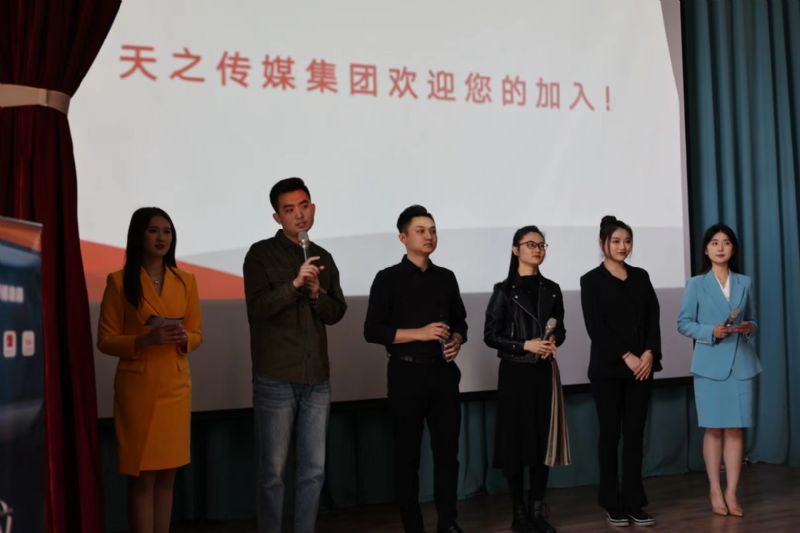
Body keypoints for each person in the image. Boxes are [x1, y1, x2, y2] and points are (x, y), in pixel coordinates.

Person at [243, 177, 347, 533]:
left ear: (313, 208)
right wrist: (294, 285)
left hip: (316, 378)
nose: (299, 215)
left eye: (304, 206)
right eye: (289, 210)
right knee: (272, 473)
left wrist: (317, 294)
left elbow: (336, 313)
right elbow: (257, 309)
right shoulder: (260, 254)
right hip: (275, 377)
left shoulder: (324, 257)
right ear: (277, 217)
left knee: (313, 470)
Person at [97, 207, 203, 533]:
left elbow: (197, 334)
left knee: (167, 476)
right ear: (139, 236)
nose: (161, 238)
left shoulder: (186, 281)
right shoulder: (119, 281)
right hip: (138, 390)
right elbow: (106, 340)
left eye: (167, 231)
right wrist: (144, 340)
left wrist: (185, 338)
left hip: (175, 386)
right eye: (154, 231)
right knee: (143, 478)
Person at [364, 205, 467, 533]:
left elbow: (461, 321)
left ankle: (448, 522)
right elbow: (373, 331)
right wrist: (419, 333)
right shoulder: (387, 278)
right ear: (403, 237)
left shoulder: (446, 277)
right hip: (406, 375)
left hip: (443, 374)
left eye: (433, 230)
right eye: (421, 230)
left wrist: (457, 340)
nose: (429, 236)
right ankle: (413, 526)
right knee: (407, 457)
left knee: (447, 455)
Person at [484, 225, 570, 533]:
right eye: (531, 244)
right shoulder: (504, 290)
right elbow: (490, 336)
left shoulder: (553, 289)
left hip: (543, 373)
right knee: (515, 444)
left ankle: (537, 508)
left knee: (541, 443)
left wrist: (554, 340)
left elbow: (561, 329)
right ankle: (518, 512)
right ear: (515, 249)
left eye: (541, 245)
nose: (537, 249)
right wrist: (524, 345)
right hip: (515, 373)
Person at [579, 215, 661, 528]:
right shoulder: (591, 280)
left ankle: (634, 502)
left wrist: (650, 352)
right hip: (608, 370)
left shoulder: (641, 276)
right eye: (616, 241)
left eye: (627, 241)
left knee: (635, 436)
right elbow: (595, 327)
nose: (622, 246)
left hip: (642, 369)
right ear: (603, 244)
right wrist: (626, 355)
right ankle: (612, 502)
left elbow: (653, 316)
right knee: (610, 435)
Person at [677, 223, 760, 517]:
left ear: (733, 249)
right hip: (709, 365)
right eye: (714, 242)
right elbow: (683, 323)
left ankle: (732, 493)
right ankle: (714, 489)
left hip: (741, 364)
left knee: (736, 430)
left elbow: (753, 320)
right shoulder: (696, 284)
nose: (720, 247)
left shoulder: (744, 282)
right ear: (706, 249)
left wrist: (749, 327)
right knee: (713, 430)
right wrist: (710, 331)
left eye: (726, 242)